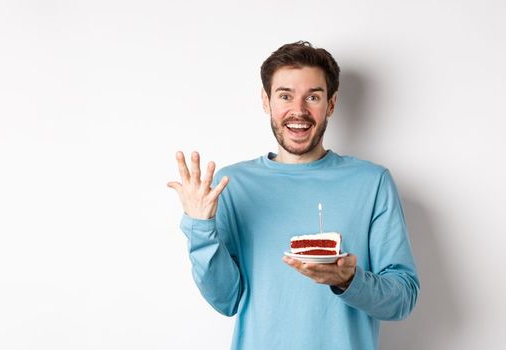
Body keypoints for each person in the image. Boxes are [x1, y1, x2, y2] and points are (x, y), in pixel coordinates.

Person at [166, 41, 419, 349]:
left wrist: (348, 281)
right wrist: (200, 226)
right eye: (285, 95)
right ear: (266, 101)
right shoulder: (232, 185)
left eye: (313, 97)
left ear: (332, 104)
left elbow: (403, 298)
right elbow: (226, 301)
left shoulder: (372, 183)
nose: (298, 111)